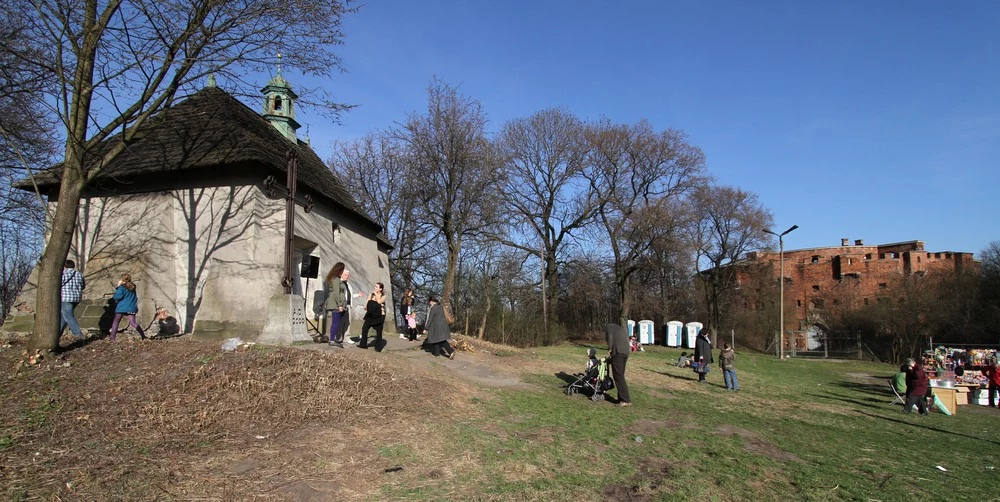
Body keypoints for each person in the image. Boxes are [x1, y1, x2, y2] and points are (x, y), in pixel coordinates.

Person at [109, 273, 146, 341]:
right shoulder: (133, 287)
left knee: (116, 322)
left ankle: (112, 339)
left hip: (122, 308)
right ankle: (143, 336)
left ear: (122, 280)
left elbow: (117, 297)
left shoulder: (121, 288)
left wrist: (118, 286)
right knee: (133, 323)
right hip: (131, 307)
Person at [606, 323, 631, 407]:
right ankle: (621, 398)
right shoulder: (620, 329)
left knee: (618, 376)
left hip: (618, 352)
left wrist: (609, 349)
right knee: (620, 375)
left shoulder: (610, 327)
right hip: (625, 353)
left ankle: (625, 400)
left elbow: (610, 337)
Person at [60, 259, 86, 340]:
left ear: (65, 266)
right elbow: (83, 286)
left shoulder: (63, 274)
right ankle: (57, 334)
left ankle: (78, 334)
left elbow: (58, 284)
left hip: (66, 298)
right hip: (76, 298)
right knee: (64, 316)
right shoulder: (79, 274)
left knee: (68, 316)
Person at [324, 262, 347, 347]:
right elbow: (336, 293)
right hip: (336, 304)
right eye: (342, 270)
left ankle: (333, 339)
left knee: (336, 322)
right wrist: (340, 305)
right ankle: (332, 340)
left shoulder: (333, 278)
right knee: (335, 322)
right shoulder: (336, 279)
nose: (343, 271)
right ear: (339, 270)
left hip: (335, 303)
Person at [358, 282, 387, 350]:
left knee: (379, 332)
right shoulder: (371, 295)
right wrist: (367, 307)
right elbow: (367, 302)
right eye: (375, 286)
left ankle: (378, 347)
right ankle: (363, 344)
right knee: (364, 328)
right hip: (370, 315)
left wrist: (376, 294)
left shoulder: (383, 295)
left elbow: (379, 301)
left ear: (380, 289)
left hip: (379, 315)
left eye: (377, 287)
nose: (375, 288)